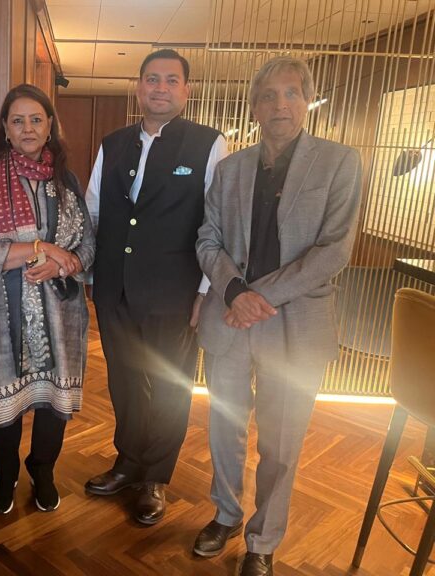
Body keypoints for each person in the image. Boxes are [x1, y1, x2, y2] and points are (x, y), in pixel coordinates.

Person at [193, 56, 362, 576]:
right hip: (230, 320)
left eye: (291, 93)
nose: (280, 104)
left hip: (296, 326)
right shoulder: (230, 169)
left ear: (308, 101)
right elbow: (207, 240)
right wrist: (235, 291)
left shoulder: (340, 162)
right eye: (269, 95)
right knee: (224, 429)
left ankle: (262, 542)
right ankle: (225, 513)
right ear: (255, 106)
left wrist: (256, 297)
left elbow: (333, 251)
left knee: (282, 439)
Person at [83, 49, 227, 525]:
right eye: (151, 79)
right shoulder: (113, 142)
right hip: (115, 289)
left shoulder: (209, 144)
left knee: (169, 385)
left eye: (171, 80)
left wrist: (206, 290)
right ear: (138, 87)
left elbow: (217, 224)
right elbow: (94, 211)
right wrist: (90, 274)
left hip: (175, 292)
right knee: (124, 380)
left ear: (186, 90)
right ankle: (127, 461)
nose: (160, 87)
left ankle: (155, 478)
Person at [0, 84, 95, 515]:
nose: (28, 128)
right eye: (17, 120)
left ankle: (43, 472)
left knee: (53, 405)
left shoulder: (68, 182)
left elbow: (89, 247)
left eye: (36, 119)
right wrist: (42, 249)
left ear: (50, 125)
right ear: (5, 128)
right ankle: (5, 475)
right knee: (5, 406)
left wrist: (63, 262)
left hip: (60, 312)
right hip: (0, 313)